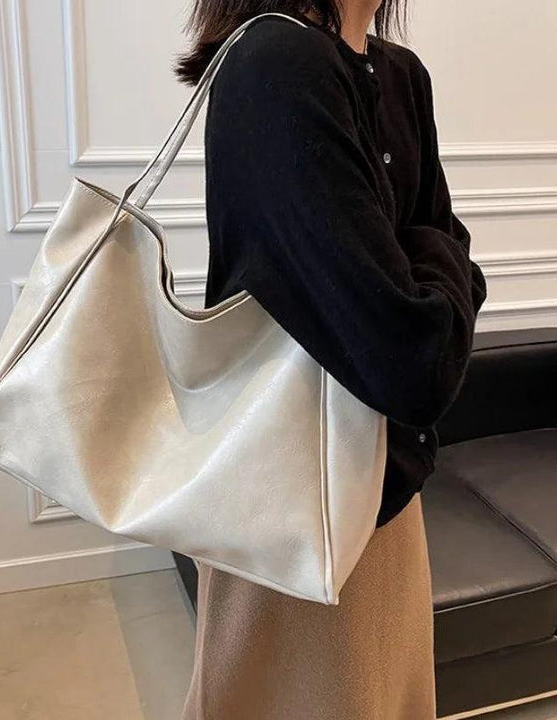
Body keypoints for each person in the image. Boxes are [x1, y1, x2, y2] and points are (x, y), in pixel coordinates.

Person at [174, 1, 488, 718]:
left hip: (384, 487)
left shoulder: (401, 75)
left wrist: (429, 263)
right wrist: (432, 256)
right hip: (290, 499)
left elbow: (435, 296)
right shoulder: (275, 65)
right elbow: (417, 358)